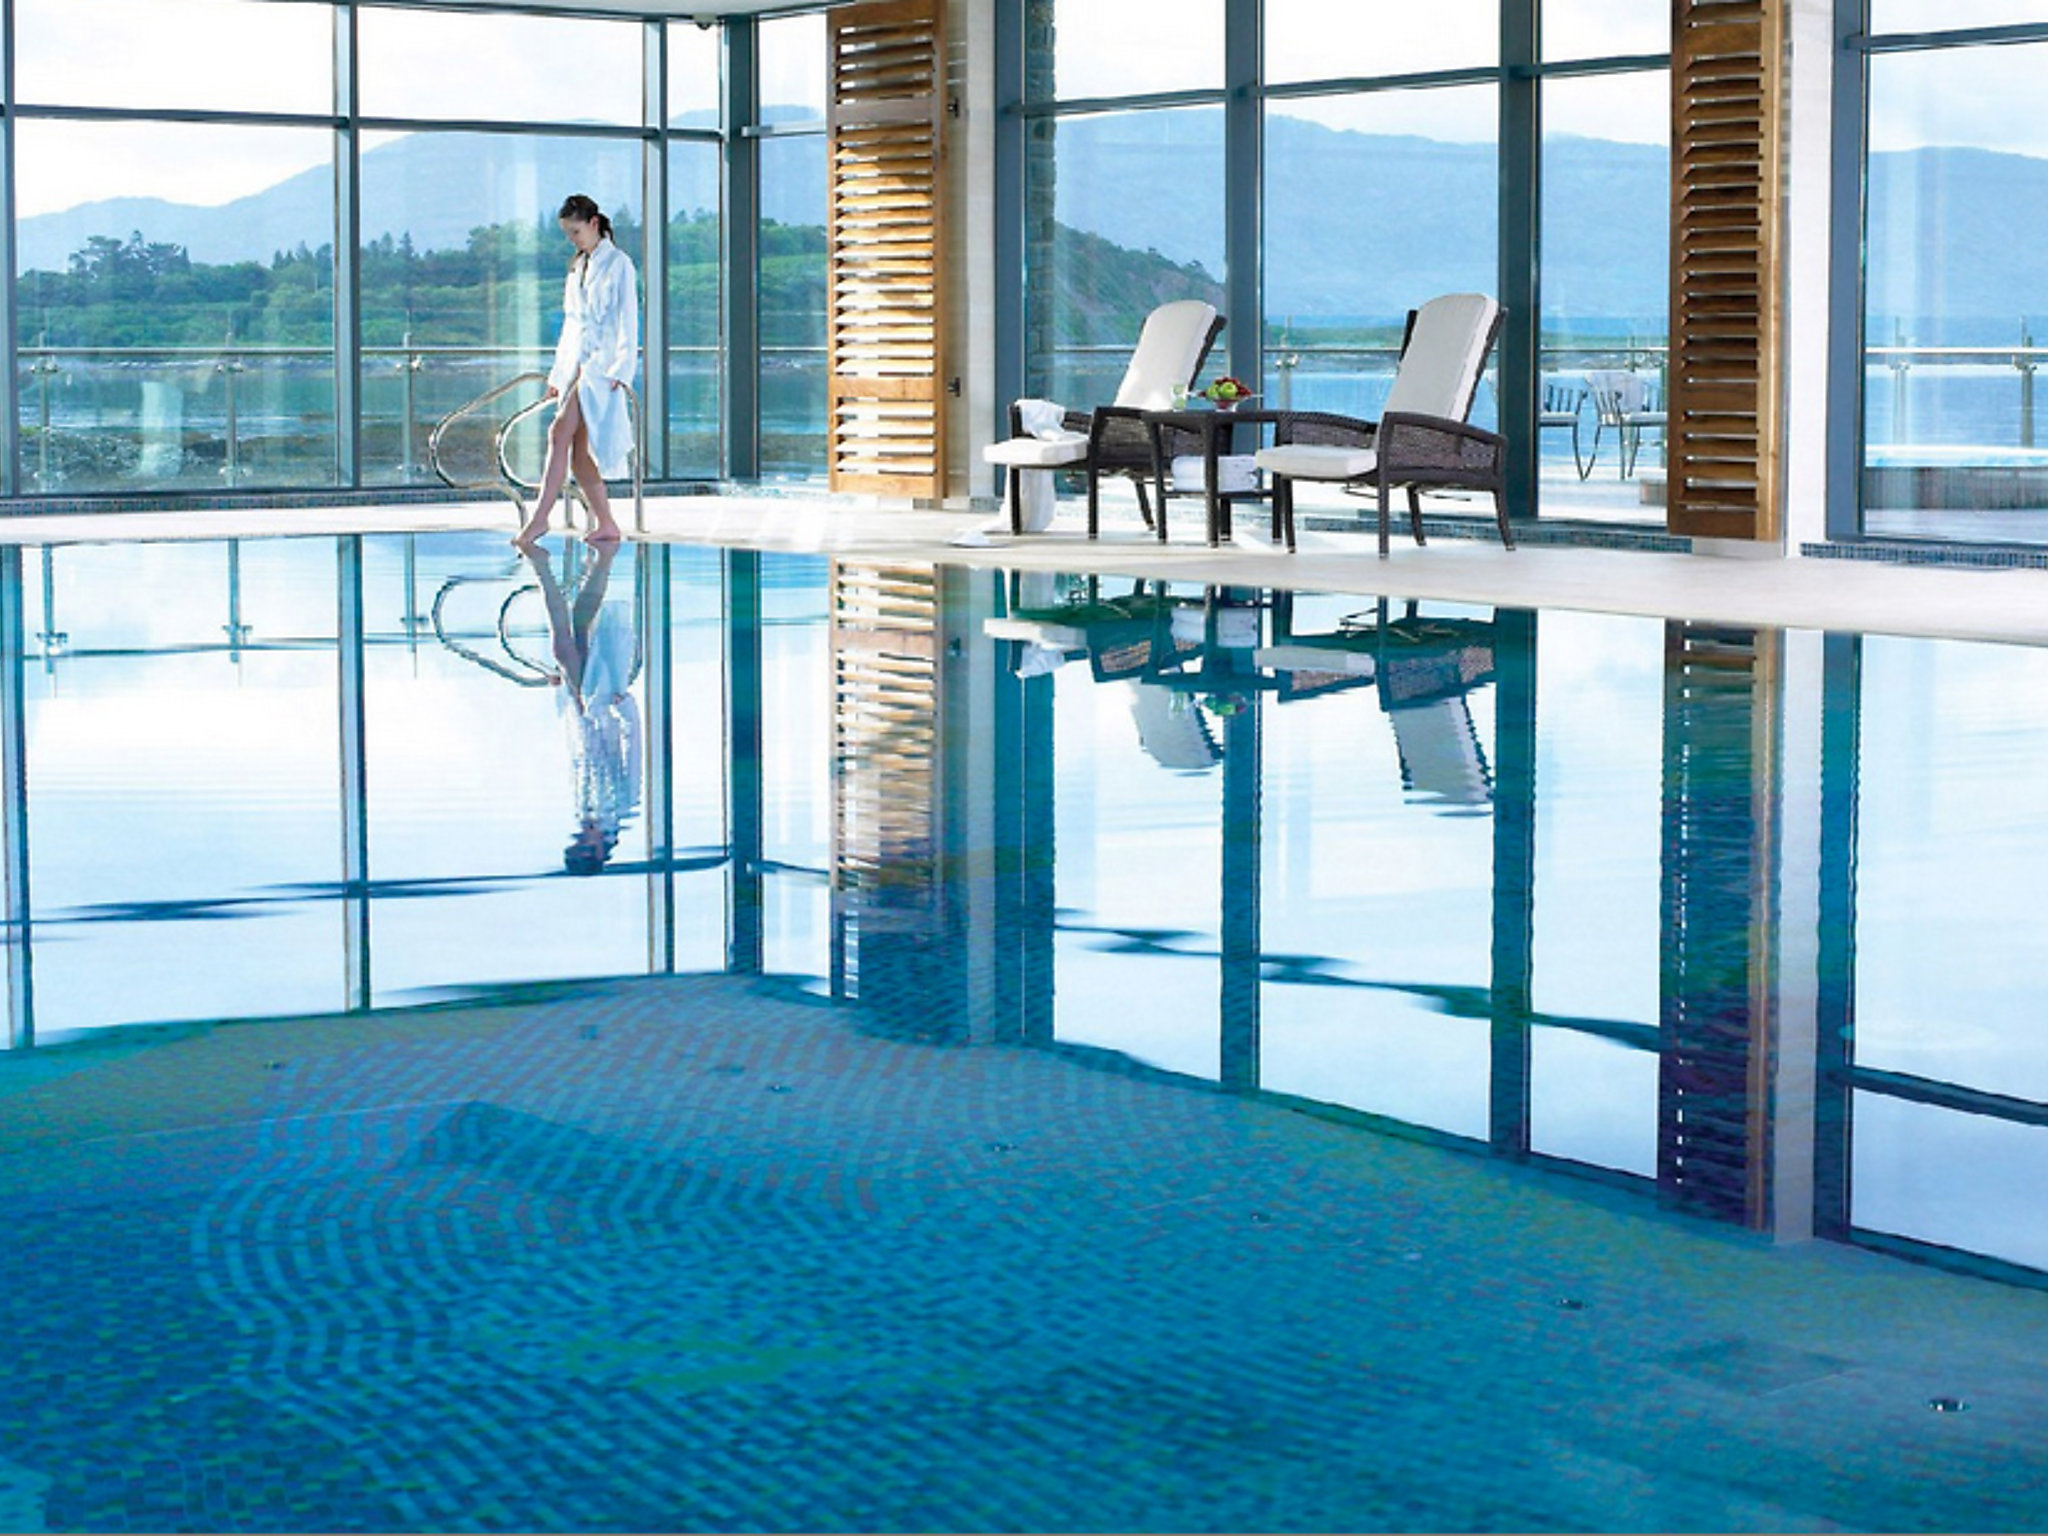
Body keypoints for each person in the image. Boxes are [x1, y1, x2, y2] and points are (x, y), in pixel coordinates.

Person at [515, 193, 640, 547]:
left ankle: (540, 518)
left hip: (601, 370)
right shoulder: (578, 269)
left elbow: (628, 320)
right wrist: (558, 376)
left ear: (594, 223)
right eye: (568, 234)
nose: (572, 239)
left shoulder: (619, 264)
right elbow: (571, 326)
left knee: (558, 433)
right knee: (578, 453)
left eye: (576, 231)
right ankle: (607, 523)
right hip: (576, 366)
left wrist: (621, 369)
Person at [516, 541, 642, 876]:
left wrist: (563, 699)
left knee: (572, 637)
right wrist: (626, 710)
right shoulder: (623, 806)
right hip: (605, 705)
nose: (580, 838)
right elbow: (633, 754)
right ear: (599, 850)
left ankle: (588, 563)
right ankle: (566, 565)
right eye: (583, 845)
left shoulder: (583, 809)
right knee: (575, 635)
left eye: (575, 843)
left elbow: (576, 751)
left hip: (582, 709)